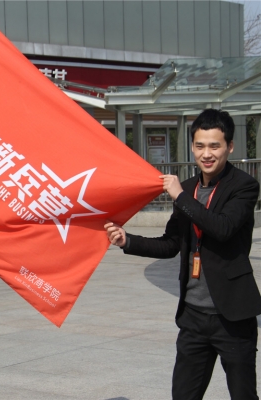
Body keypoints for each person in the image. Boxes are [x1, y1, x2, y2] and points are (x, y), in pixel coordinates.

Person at [105, 109, 261, 400]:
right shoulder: (188, 188)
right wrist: (128, 241)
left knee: (243, 395)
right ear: (192, 146)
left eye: (214, 146)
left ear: (230, 146)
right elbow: (170, 245)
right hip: (193, 317)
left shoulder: (244, 186)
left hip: (233, 317)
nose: (206, 154)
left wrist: (180, 196)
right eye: (200, 146)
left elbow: (223, 228)